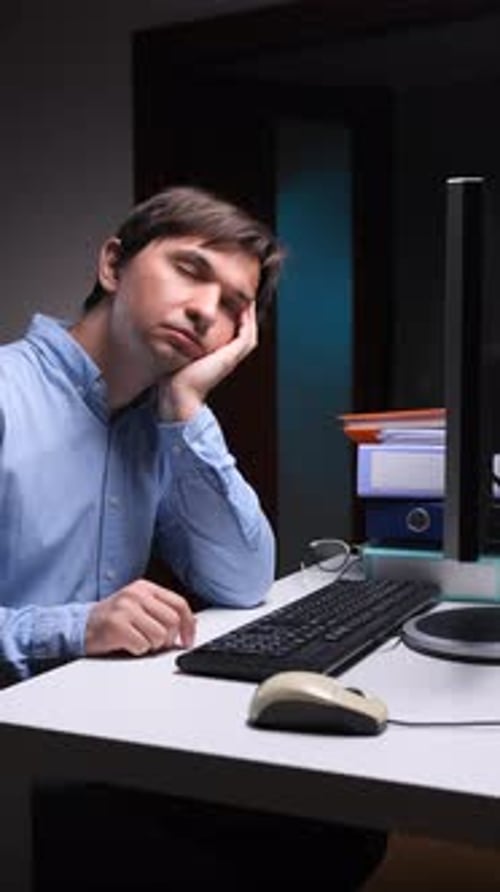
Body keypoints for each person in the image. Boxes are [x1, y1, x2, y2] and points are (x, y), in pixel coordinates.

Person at [0, 185, 386, 890]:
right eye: (191, 269)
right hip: (18, 766)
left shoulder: (165, 418)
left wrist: (186, 408)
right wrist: (73, 628)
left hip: (109, 738)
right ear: (114, 265)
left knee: (347, 829)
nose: (209, 309)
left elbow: (241, 581)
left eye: (236, 305)